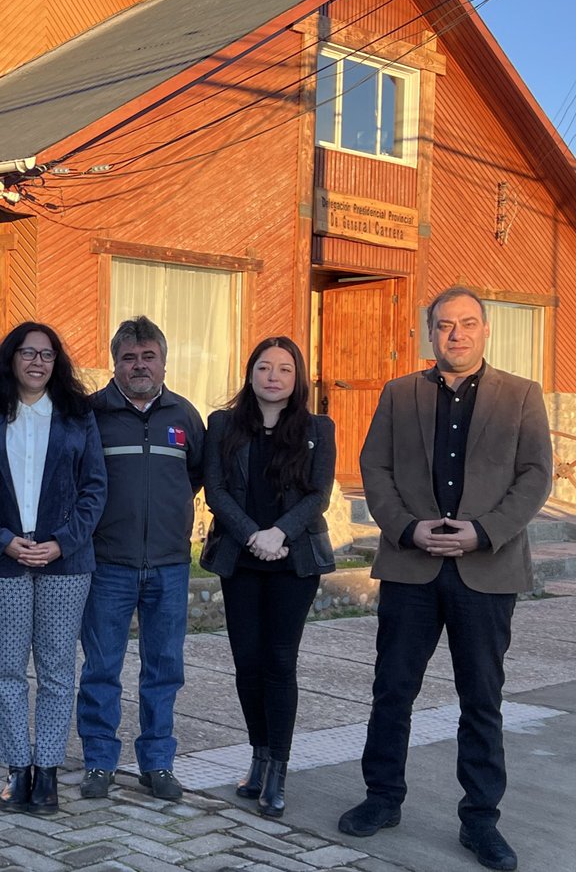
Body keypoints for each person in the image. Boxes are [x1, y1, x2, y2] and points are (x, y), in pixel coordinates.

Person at [338, 287, 551, 872]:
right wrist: (407, 528)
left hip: (487, 568)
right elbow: (374, 467)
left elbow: (536, 476)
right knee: (392, 691)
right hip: (412, 565)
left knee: (481, 700)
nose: (456, 334)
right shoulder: (399, 393)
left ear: (485, 331)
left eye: (467, 324)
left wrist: (484, 531)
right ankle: (382, 799)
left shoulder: (522, 396)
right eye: (445, 325)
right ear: (429, 333)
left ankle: (481, 821)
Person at [0, 322, 107, 814]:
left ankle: (47, 772)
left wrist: (61, 544)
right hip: (3, 562)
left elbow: (94, 489)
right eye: (28, 353)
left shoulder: (77, 416)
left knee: (58, 669)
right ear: (11, 359)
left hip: (65, 563)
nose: (38, 362)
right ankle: (16, 770)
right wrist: (3, 541)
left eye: (47, 354)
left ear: (57, 362)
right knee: (7, 669)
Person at [201, 336, 336, 818]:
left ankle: (278, 768)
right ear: (250, 373)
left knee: (280, 663)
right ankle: (258, 757)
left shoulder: (318, 428)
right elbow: (215, 489)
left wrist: (278, 532)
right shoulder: (223, 425)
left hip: (293, 562)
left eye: (283, 368)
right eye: (263, 367)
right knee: (247, 664)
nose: (273, 376)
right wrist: (253, 534)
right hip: (241, 559)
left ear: (297, 376)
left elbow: (318, 494)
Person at [76, 316, 204, 802]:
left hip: (170, 566)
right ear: (115, 363)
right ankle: (99, 762)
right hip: (108, 564)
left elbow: (193, 477)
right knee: (102, 667)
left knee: (164, 668)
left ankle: (158, 764)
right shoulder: (92, 415)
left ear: (163, 361)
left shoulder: (185, 417)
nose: (139, 365)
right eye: (129, 357)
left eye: (148, 356)